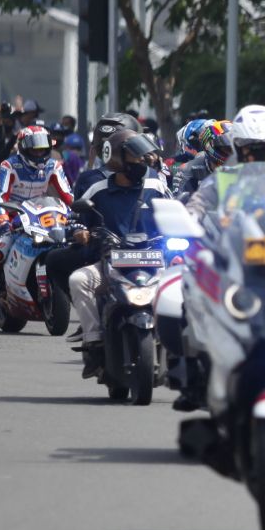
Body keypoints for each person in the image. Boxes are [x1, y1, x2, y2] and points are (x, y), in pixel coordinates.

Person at [68, 130, 169, 377]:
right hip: (111, 264)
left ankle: (177, 346)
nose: (143, 162)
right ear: (115, 159)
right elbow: (74, 220)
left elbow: (175, 211)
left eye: (144, 156)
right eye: (135, 156)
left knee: (183, 287)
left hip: (154, 262)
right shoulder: (97, 189)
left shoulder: (155, 182)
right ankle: (94, 342)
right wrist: (81, 232)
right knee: (78, 280)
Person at [0, 126, 73, 271]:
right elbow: (1, 197)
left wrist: (77, 214)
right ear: (24, 148)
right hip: (13, 218)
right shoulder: (9, 165)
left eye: (42, 149)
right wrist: (4, 221)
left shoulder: (54, 166)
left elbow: (68, 196)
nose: (39, 153)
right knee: (0, 250)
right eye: (35, 150)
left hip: (40, 217)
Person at [186, 105, 265, 220]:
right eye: (251, 149)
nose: (258, 156)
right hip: (228, 237)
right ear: (237, 148)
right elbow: (198, 204)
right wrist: (190, 218)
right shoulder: (222, 179)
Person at [173, 120, 232, 200]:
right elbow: (178, 203)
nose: (232, 153)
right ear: (211, 145)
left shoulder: (244, 166)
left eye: (235, 148)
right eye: (227, 149)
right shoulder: (186, 171)